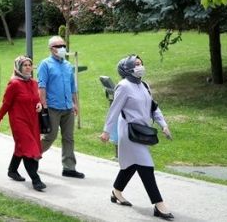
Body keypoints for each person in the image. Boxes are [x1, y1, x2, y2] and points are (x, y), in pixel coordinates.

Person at [100, 55, 174, 220]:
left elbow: (153, 107)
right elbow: (114, 110)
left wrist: (164, 125)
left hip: (142, 131)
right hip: (129, 132)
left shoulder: (145, 85)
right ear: (128, 69)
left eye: (141, 64)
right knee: (146, 165)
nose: (141, 67)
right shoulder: (123, 86)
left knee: (131, 165)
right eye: (137, 64)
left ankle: (116, 192)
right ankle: (159, 205)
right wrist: (106, 131)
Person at [0, 56, 46, 191]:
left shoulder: (34, 83)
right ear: (18, 67)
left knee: (22, 147)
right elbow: (6, 104)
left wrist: (39, 104)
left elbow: (36, 99)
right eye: (25, 65)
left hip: (32, 121)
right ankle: (36, 180)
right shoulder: (14, 84)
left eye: (30, 65)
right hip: (19, 122)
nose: (28, 67)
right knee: (29, 149)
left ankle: (12, 170)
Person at [38, 36, 84, 178]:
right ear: (51, 49)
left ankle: (69, 168)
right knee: (50, 137)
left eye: (63, 45)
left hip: (67, 107)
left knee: (69, 138)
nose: (62, 48)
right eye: (59, 46)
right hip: (52, 107)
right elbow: (42, 86)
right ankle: (32, 155)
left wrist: (75, 104)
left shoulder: (67, 65)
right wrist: (44, 105)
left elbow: (72, 87)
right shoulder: (45, 64)